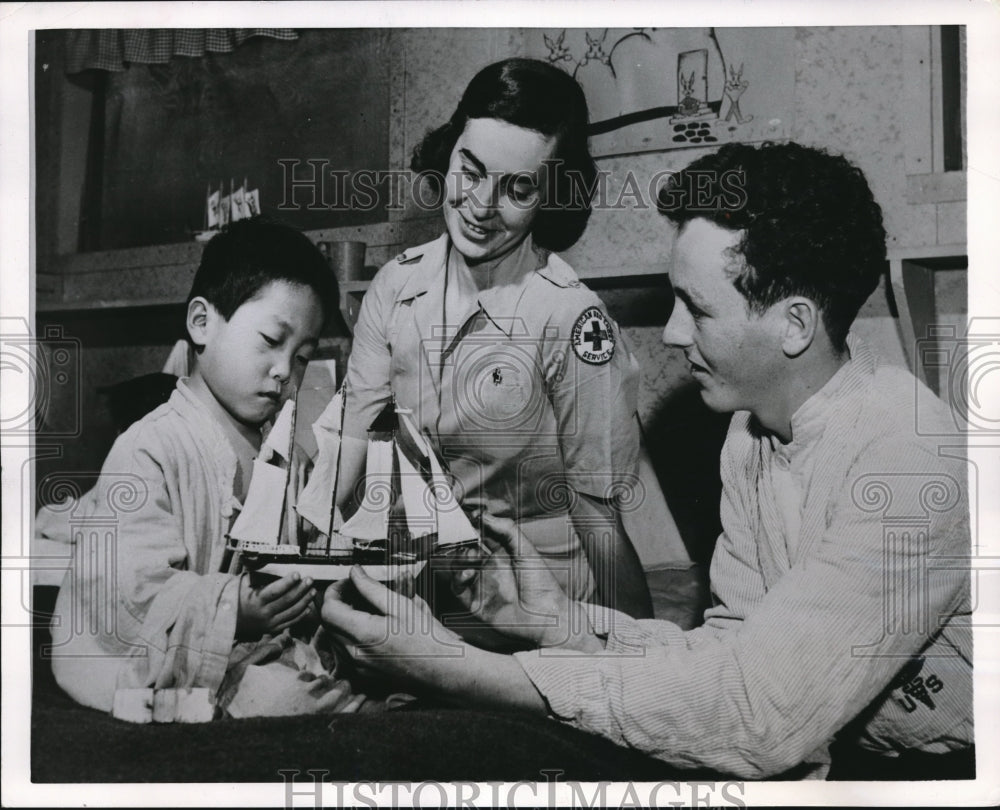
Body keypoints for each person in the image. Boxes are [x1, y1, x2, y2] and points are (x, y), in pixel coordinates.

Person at [321, 142, 973, 779]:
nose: (672, 333)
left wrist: (468, 673)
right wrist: (564, 628)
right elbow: (728, 655)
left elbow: (757, 714)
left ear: (794, 324)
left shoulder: (905, 460)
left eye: (697, 307)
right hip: (845, 752)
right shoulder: (752, 432)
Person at [339, 57, 652, 617]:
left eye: (519, 188)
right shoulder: (394, 287)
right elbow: (353, 442)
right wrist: (298, 540)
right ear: (449, 149)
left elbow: (598, 515)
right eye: (472, 169)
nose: (481, 206)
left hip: (538, 598)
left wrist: (637, 661)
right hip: (421, 582)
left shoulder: (571, 318)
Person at [49, 218, 370, 720]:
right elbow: (129, 593)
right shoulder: (148, 448)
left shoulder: (284, 454)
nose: (285, 370)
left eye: (302, 356)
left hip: (263, 653)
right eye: (270, 339)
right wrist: (234, 610)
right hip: (179, 668)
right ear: (201, 322)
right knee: (295, 705)